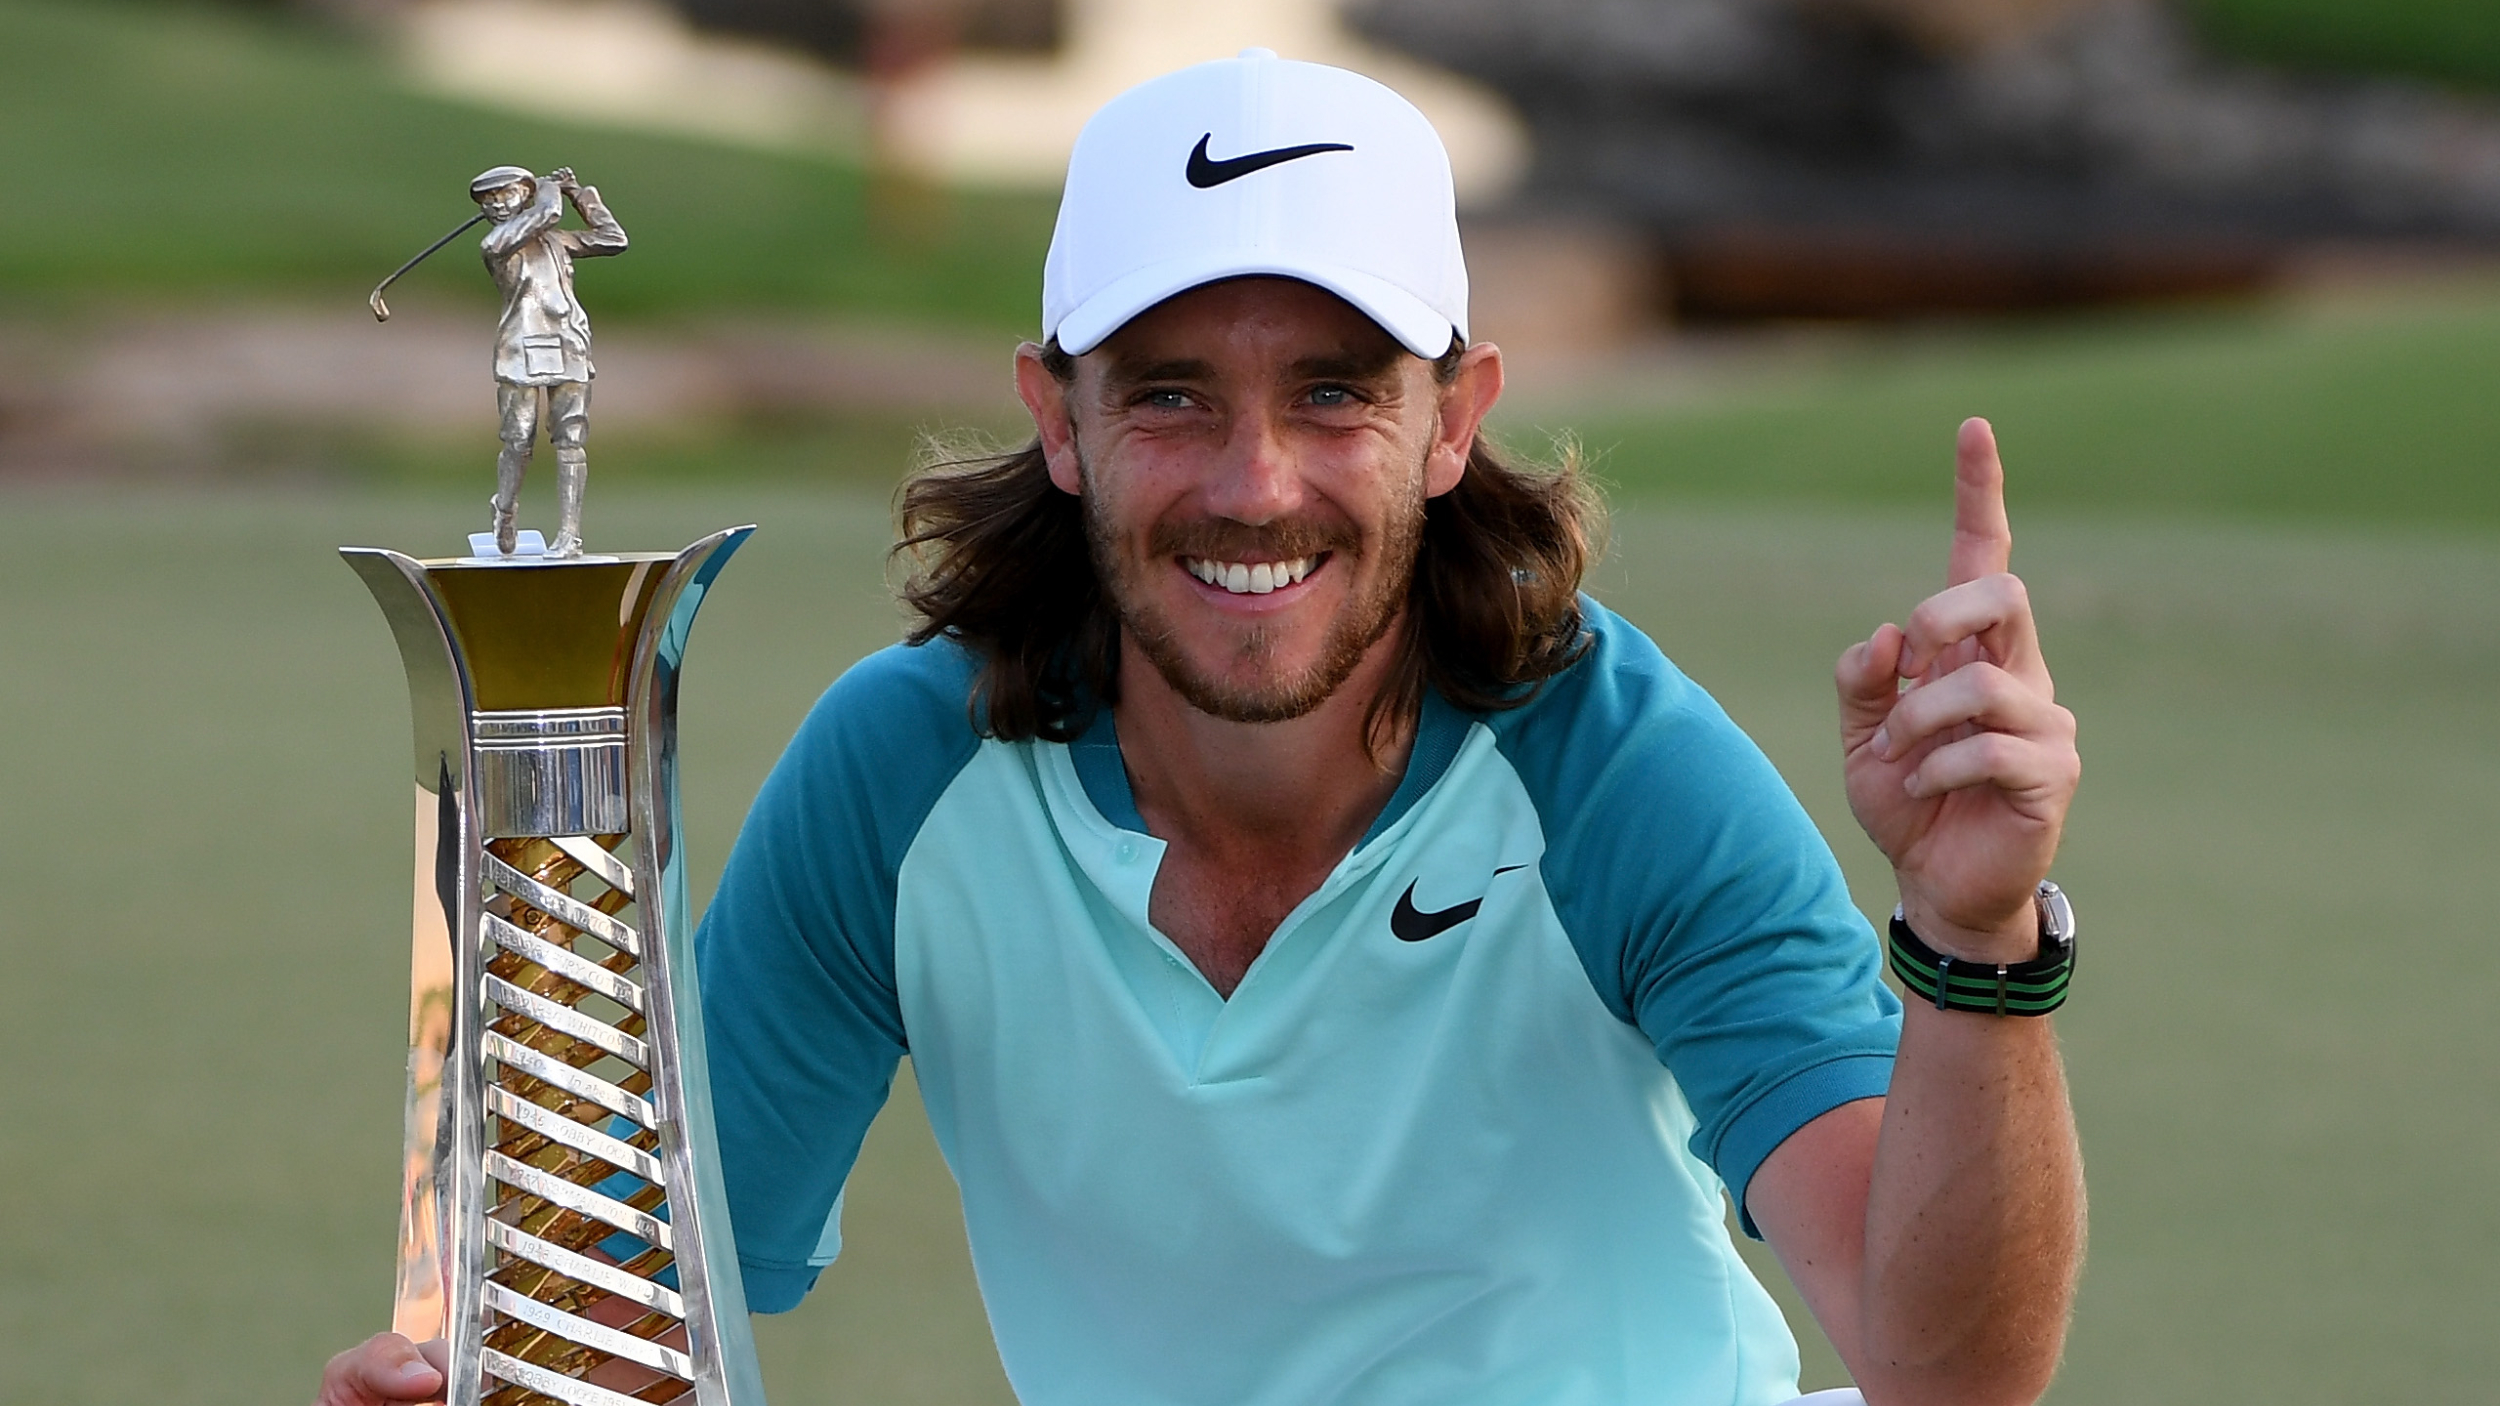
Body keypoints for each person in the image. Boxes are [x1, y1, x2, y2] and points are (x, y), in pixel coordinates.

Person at [323, 52, 2081, 1406]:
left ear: (1455, 420)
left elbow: (1947, 1372)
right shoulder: (901, 774)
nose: (1256, 485)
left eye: (1333, 392)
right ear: (1060, 418)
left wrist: (1977, 939)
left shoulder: (1614, 766)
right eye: (1173, 395)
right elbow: (643, 1304)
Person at [469, 164, 627, 558]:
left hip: (568, 342)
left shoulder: (557, 241)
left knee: (571, 439)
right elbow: (547, 213)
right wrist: (547, 187)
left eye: (505, 195)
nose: (497, 206)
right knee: (519, 440)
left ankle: (570, 535)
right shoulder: (496, 243)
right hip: (521, 347)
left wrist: (579, 193)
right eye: (488, 201)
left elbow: (614, 239)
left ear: (522, 196)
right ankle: (505, 508)